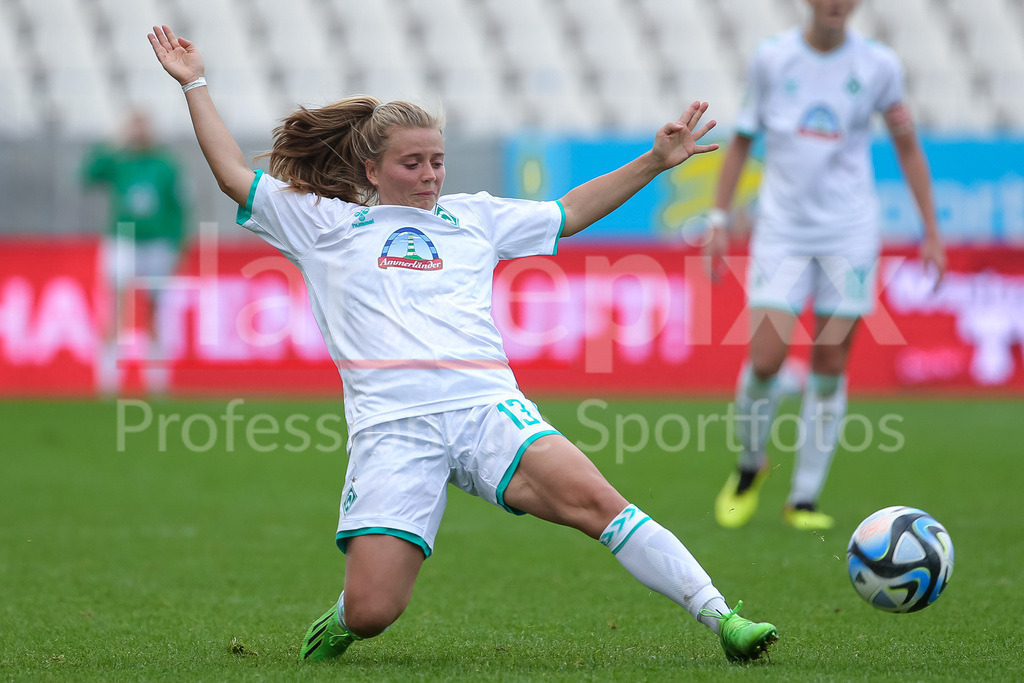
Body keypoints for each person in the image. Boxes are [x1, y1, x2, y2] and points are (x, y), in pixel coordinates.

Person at [148, 24, 778, 665]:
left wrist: (653, 161)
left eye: (437, 161)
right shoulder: (326, 225)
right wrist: (195, 83)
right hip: (392, 429)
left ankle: (722, 617)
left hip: (486, 406)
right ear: (372, 169)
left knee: (597, 502)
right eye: (412, 163)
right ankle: (345, 616)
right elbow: (232, 174)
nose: (429, 175)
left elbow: (569, 213)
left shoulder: (474, 218)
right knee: (373, 612)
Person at [703, 0, 946, 530]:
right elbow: (741, 142)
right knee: (767, 357)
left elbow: (907, 146)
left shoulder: (879, 66)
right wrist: (719, 217)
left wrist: (930, 229)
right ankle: (750, 466)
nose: (837, 4)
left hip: (848, 233)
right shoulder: (772, 59)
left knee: (830, 361)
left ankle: (804, 499)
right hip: (782, 230)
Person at [82, 108, 186, 395]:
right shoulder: (119, 160)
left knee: (153, 310)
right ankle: (107, 383)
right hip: (123, 240)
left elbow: (179, 207)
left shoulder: (165, 165)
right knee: (114, 307)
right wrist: (112, 142)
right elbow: (88, 175)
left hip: (156, 243)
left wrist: (175, 245)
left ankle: (156, 383)